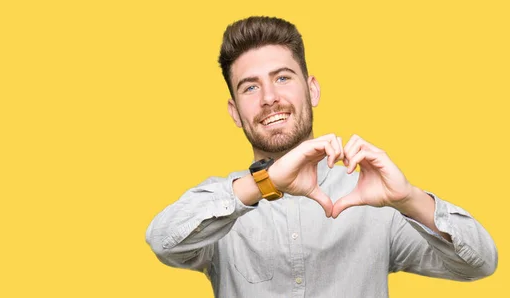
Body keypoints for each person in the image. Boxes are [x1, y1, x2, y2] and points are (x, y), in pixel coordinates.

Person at [145, 16, 498, 298]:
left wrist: (409, 198)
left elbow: (480, 263)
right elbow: (163, 242)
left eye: (282, 78)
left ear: (311, 89)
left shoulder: (374, 200)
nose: (269, 98)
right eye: (250, 87)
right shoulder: (224, 202)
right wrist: (263, 185)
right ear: (235, 112)